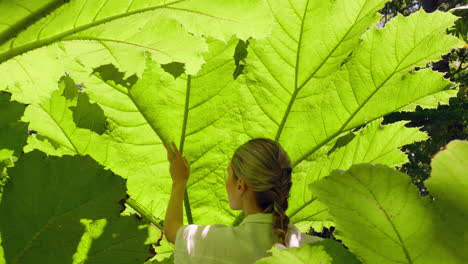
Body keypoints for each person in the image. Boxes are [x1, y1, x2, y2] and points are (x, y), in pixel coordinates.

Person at [163, 138, 323, 263]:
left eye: (228, 174)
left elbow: (172, 232)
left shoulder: (218, 243)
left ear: (240, 185)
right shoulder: (319, 251)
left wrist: (179, 182)